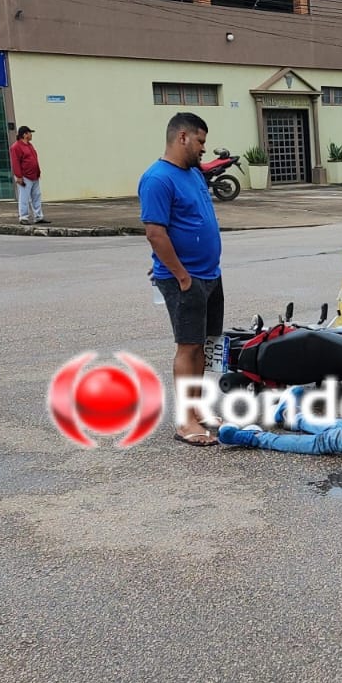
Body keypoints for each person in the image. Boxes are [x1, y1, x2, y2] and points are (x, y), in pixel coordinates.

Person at [140, 112, 224, 446]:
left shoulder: (193, 174)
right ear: (183, 137)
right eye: (201, 141)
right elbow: (155, 233)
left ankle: (198, 407)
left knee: (202, 345)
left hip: (209, 274)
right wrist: (180, 275)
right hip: (187, 279)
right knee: (187, 347)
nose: (204, 148)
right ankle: (184, 421)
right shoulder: (158, 179)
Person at [10, 126, 46, 225]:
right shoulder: (16, 147)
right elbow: (15, 162)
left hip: (34, 175)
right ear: (25, 134)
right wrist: (19, 176)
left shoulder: (29, 145)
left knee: (36, 196)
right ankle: (23, 217)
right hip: (25, 176)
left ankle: (38, 216)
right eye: (30, 133)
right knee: (24, 197)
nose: (31, 135)